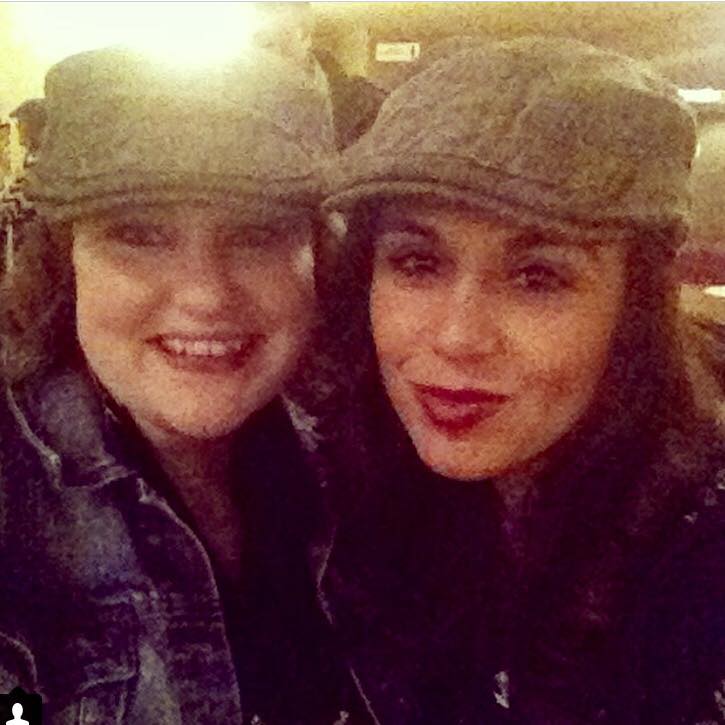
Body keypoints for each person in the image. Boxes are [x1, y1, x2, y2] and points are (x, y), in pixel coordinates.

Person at [309, 37, 725, 723]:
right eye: (417, 263)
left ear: (635, 306)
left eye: (537, 276)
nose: (458, 336)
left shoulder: (699, 566)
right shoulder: (355, 491)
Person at [0, 47, 363, 724]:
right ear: (66, 261)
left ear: (318, 259)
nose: (205, 294)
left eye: (256, 234)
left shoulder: (363, 463)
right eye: (139, 235)